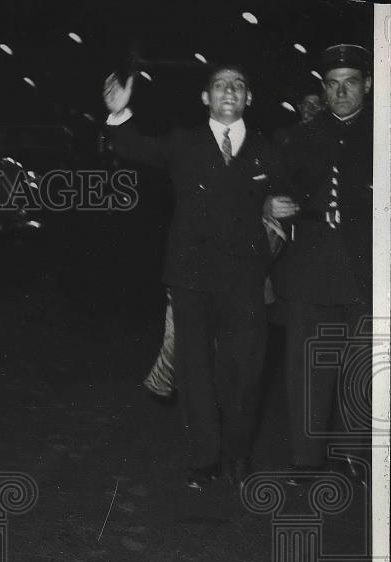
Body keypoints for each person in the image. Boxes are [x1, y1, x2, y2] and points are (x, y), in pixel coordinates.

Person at [103, 64, 284, 491]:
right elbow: (133, 147)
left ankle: (238, 454)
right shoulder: (184, 143)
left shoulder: (267, 150)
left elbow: (292, 200)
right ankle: (206, 459)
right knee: (196, 371)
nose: (229, 91)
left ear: (248, 98)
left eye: (238, 85)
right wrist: (118, 113)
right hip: (191, 276)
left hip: (245, 279)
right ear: (205, 97)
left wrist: (280, 211)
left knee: (245, 371)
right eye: (220, 85)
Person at [270, 44, 373, 484]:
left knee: (361, 364)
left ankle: (354, 456)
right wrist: (271, 203)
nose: (341, 92)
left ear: (367, 84)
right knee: (307, 366)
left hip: (366, 266)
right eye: (332, 85)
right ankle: (305, 459)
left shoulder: (384, 133)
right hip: (310, 267)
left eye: (350, 83)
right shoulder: (302, 136)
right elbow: (275, 186)